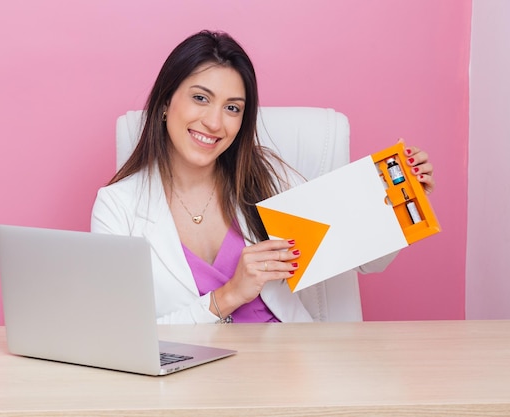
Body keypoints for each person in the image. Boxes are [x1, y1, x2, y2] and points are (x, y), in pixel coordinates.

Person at [91, 30, 435, 324]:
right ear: (166, 103)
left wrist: (394, 207)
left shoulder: (267, 177)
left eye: (232, 108)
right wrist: (227, 296)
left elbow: (364, 261)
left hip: (288, 368)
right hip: (187, 382)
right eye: (200, 98)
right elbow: (121, 335)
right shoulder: (117, 206)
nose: (214, 122)